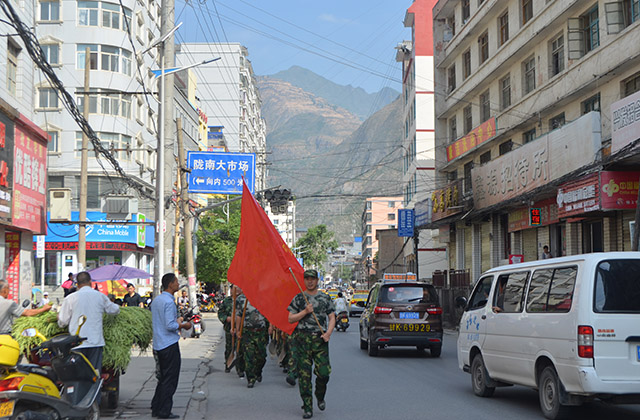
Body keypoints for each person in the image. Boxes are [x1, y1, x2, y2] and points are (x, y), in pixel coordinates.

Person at [288, 269, 336, 419]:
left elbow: (332, 317)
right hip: (302, 341)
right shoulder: (299, 298)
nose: (310, 281)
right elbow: (290, 319)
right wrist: (305, 311)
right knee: (304, 376)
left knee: (324, 374)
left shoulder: (324, 297)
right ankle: (307, 407)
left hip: (320, 340)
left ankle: (319, 395)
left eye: (312, 278)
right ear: (304, 280)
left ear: (317, 280)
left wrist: (328, 333)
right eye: (307, 278)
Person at [57, 271, 120, 373]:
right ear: (91, 282)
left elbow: (63, 322)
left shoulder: (70, 298)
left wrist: (59, 318)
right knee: (94, 374)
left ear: (77, 284)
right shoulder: (100, 296)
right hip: (95, 342)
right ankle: (94, 389)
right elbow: (115, 310)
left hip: (76, 344)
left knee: (77, 375)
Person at [151, 273, 192, 419]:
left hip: (158, 344)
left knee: (162, 378)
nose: (177, 284)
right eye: (175, 282)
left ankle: (156, 407)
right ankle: (164, 411)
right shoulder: (168, 302)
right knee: (170, 379)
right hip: (168, 344)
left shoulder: (157, 300)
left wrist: (177, 320)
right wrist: (183, 325)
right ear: (170, 284)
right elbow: (169, 325)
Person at [235, 293, 269, 388]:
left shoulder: (264, 297)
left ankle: (258, 371)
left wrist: (271, 327)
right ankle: (251, 379)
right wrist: (237, 330)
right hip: (247, 332)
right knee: (248, 356)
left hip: (261, 332)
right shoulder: (241, 299)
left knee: (262, 356)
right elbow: (238, 315)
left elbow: (270, 314)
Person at [217, 286, 237, 373]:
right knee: (230, 346)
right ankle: (228, 364)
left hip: (240, 327)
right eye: (234, 289)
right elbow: (220, 313)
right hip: (229, 328)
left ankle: (240, 367)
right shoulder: (226, 301)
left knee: (241, 347)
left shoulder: (241, 300)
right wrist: (226, 318)